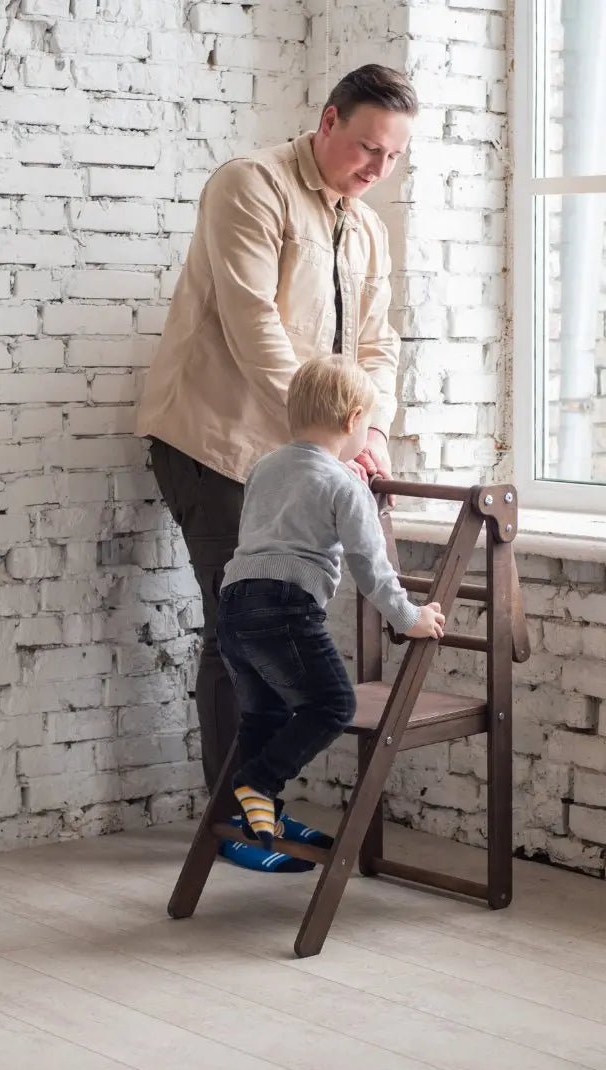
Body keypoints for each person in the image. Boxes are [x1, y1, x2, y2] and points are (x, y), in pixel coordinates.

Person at [135, 65, 418, 871]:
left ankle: (259, 806)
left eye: (393, 157)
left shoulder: (365, 227)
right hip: (217, 443)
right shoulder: (248, 186)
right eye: (367, 147)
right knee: (239, 635)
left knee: (272, 634)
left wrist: (374, 428)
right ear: (327, 122)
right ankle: (233, 823)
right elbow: (254, 325)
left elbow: (378, 342)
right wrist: (339, 430)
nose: (377, 169)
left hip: (306, 453)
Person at [220, 358, 445, 855]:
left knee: (264, 713)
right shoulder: (346, 486)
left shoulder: (265, 468)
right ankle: (258, 782)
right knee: (332, 705)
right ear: (352, 422)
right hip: (286, 608)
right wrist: (411, 618)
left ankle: (261, 819)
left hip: (235, 604)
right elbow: (372, 567)